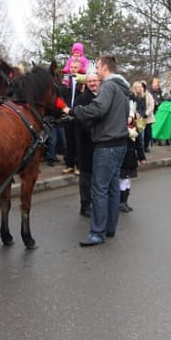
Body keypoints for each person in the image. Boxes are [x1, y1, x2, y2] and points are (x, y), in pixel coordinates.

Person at [63, 55, 129, 247]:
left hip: (107, 145)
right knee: (112, 188)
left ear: (105, 68)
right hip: (119, 144)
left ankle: (97, 233)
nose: (96, 70)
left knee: (99, 189)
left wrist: (74, 111)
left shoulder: (108, 86)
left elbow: (99, 108)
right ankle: (109, 228)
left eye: (98, 66)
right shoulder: (123, 89)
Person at [75, 73, 100, 217]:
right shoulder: (81, 99)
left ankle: (94, 202)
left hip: (99, 142)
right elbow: (80, 119)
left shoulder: (102, 97)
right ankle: (85, 205)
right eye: (89, 81)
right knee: (86, 176)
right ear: (85, 83)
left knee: (96, 175)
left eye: (94, 80)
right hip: (85, 142)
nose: (92, 83)